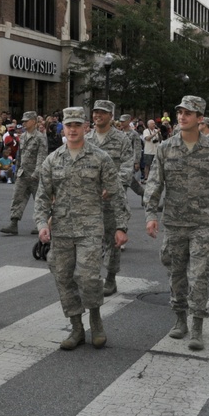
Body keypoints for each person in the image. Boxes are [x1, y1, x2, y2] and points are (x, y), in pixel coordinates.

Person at [34, 106, 127, 351]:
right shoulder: (52, 160)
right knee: (63, 278)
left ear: (86, 127)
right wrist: (43, 224)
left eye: (77, 125)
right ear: (62, 128)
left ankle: (95, 320)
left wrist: (121, 226)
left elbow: (116, 193)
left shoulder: (99, 158)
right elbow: (42, 197)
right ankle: (76, 327)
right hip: (62, 230)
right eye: (69, 125)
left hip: (90, 229)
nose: (73, 129)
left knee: (87, 277)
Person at [144, 96, 209, 351]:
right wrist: (151, 215)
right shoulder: (166, 148)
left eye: (188, 113)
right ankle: (180, 319)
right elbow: (155, 184)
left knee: (199, 275)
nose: (182, 117)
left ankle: (197, 327)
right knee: (176, 274)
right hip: (174, 222)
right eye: (180, 112)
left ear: (200, 118)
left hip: (202, 222)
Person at [85, 100, 136, 296]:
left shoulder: (121, 139)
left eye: (103, 113)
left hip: (112, 200)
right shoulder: (86, 138)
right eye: (96, 112)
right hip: (89, 199)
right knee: (89, 240)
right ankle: (92, 276)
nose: (98, 115)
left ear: (111, 116)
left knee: (111, 240)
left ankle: (111, 278)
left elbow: (126, 168)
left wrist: (111, 186)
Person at [0, 111, 48, 235]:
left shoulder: (40, 137)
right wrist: (17, 168)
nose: (24, 123)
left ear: (33, 121)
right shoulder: (23, 136)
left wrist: (37, 172)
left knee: (39, 201)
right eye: (23, 121)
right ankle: (13, 223)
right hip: (23, 173)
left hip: (35, 174)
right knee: (17, 198)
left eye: (26, 121)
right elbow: (19, 155)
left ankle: (41, 225)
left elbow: (42, 156)